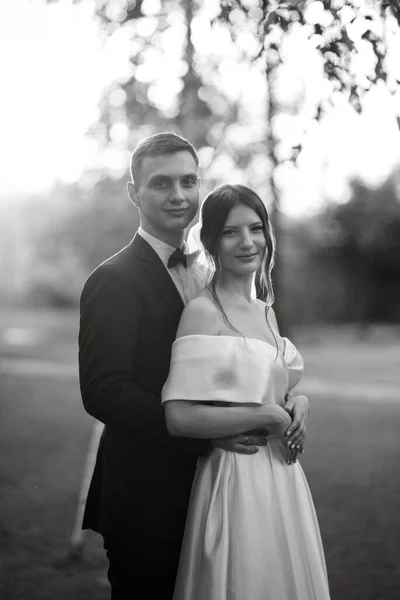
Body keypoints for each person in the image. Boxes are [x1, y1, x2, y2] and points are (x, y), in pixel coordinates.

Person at [78, 133, 309, 599]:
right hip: (147, 493)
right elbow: (103, 390)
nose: (178, 195)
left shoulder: (212, 274)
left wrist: (290, 400)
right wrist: (201, 432)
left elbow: (239, 369)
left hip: (220, 487)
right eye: (161, 184)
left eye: (188, 181)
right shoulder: (113, 279)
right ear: (134, 193)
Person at [162, 184, 330, 600]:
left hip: (285, 480)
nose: (247, 242)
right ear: (211, 242)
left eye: (255, 228)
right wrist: (268, 417)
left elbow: (271, 385)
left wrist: (298, 403)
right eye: (231, 232)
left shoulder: (266, 311)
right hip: (236, 475)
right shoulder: (203, 311)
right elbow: (178, 416)